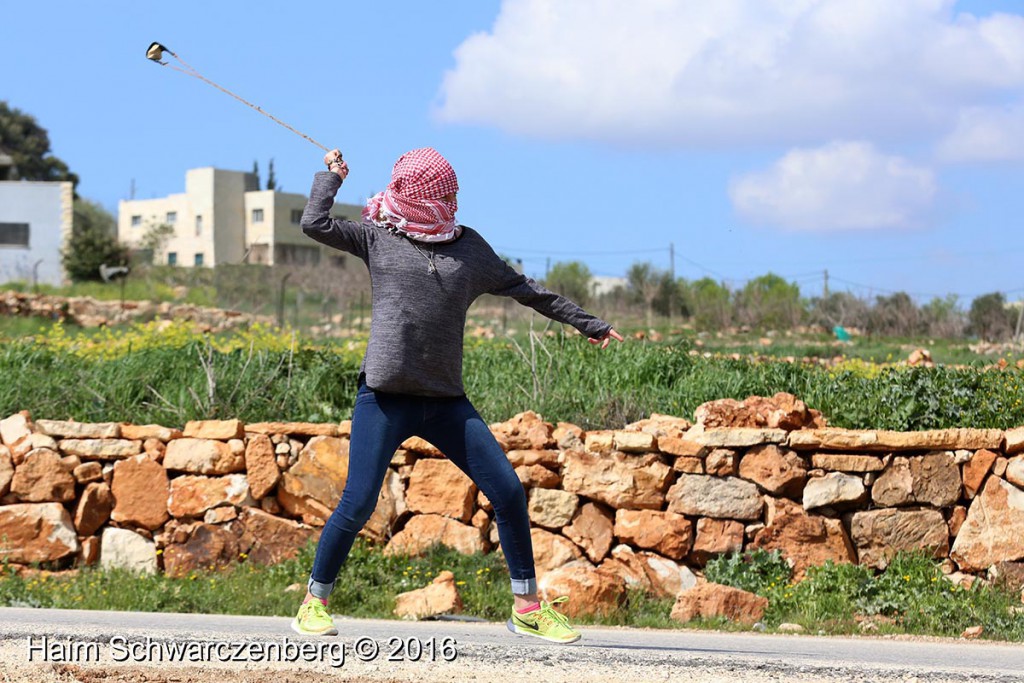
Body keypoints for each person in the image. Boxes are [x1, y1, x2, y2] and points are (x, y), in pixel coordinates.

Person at [292, 146, 623, 644]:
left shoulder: (469, 249)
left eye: (454, 191)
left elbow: (526, 289)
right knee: (358, 502)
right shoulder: (377, 237)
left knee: (508, 491)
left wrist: (588, 324)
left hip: (445, 400)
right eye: (443, 192)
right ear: (416, 193)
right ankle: (314, 603)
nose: (452, 199)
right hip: (384, 399)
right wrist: (331, 177)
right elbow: (314, 224)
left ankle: (527, 608)